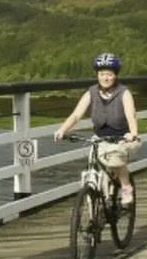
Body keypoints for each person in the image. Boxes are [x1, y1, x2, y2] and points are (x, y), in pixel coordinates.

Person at [54, 53, 141, 205]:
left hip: (121, 136)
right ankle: (99, 198)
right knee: (95, 162)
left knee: (116, 161)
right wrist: (63, 129)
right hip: (100, 136)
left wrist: (133, 133)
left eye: (109, 74)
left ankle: (126, 188)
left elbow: (130, 115)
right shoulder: (92, 92)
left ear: (115, 75)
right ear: (97, 75)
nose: (105, 78)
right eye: (102, 74)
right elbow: (76, 115)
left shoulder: (123, 93)